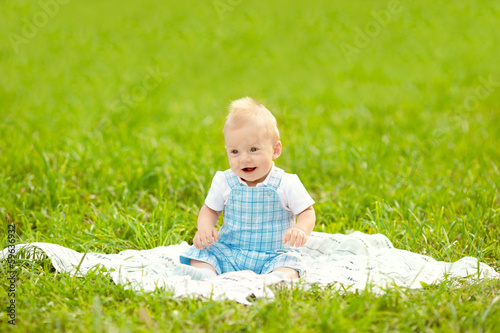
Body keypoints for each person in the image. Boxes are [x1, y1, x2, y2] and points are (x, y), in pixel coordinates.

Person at [173, 97, 315, 280]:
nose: (244, 159)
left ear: (275, 150)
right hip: (230, 250)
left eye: (254, 149)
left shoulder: (286, 183)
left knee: (290, 265)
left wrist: (301, 229)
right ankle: (205, 273)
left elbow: (307, 212)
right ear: (227, 150)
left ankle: (276, 279)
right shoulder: (225, 181)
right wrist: (205, 228)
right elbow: (210, 209)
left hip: (274, 253)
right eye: (235, 152)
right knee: (204, 252)